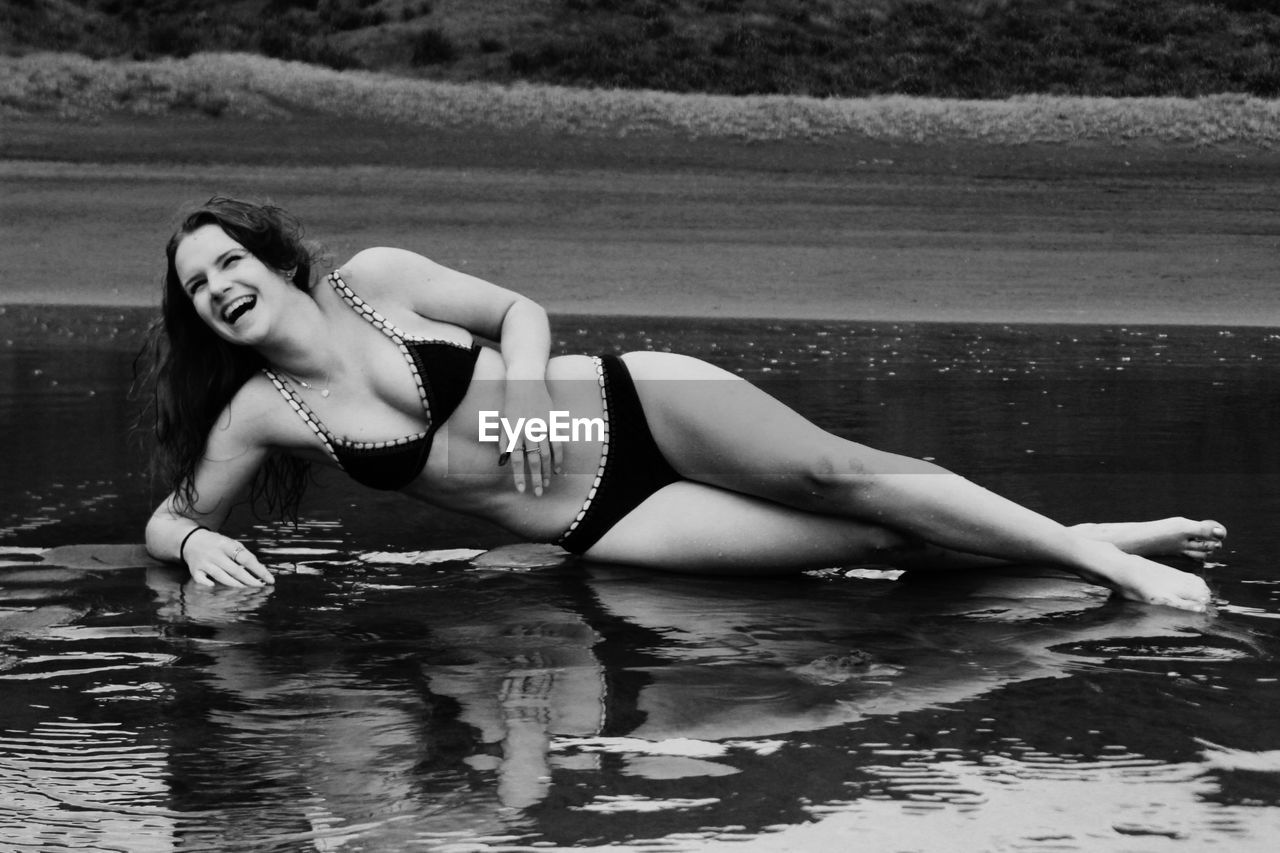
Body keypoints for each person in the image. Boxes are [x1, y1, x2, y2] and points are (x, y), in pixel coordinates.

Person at [143, 197, 1226, 611]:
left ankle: (1112, 569)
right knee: (852, 540)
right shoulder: (260, 413)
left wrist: (519, 391)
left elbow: (520, 310)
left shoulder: (372, 279)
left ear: (270, 257)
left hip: (631, 407)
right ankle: (1080, 540)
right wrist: (192, 548)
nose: (219, 287)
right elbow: (173, 516)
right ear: (199, 316)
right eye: (199, 287)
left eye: (227, 261)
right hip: (607, 519)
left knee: (842, 471)